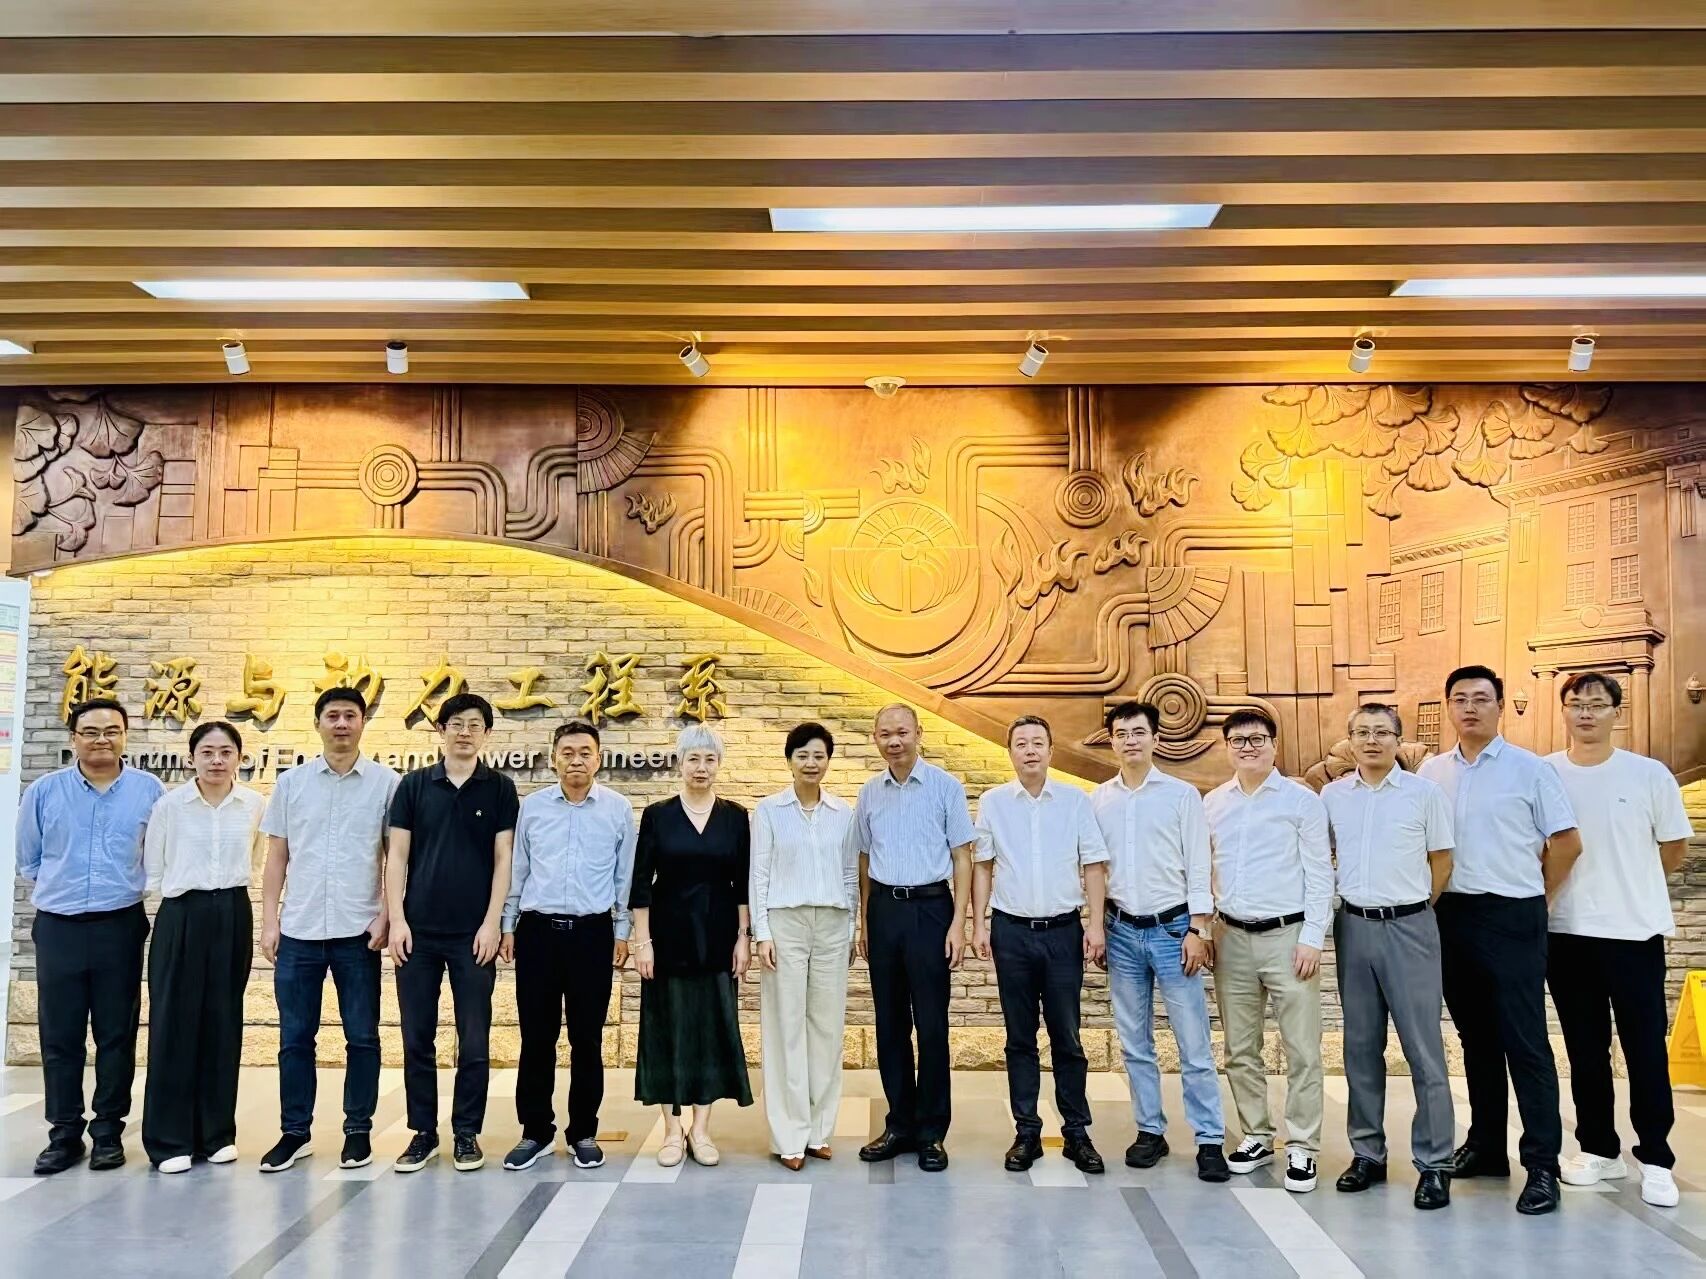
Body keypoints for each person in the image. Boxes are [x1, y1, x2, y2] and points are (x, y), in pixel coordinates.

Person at [1419, 664, 1580, 1216]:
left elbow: (1567, 843)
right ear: (1449, 706)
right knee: (1476, 1039)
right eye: (1460, 698)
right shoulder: (1431, 771)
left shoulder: (1530, 769)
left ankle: (1542, 1165)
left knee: (1525, 1041)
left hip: (1513, 913)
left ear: (1500, 705)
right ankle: (1487, 1146)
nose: (1470, 707)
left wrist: (1539, 896)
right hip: (1450, 914)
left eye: (1481, 698)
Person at [1545, 672, 1693, 1208]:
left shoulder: (1648, 774)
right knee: (1585, 1050)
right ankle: (1599, 1149)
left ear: (1616, 712)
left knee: (1644, 1048)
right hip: (1566, 932)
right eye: (1576, 704)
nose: (1586, 713)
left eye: (1597, 704)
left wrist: (1633, 885)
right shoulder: (1545, 773)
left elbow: (1673, 847)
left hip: (1633, 933)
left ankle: (1656, 1158)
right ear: (1564, 710)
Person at [19, 698, 165, 1175]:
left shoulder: (149, 790)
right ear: (73, 738)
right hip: (58, 926)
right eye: (91, 731)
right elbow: (29, 859)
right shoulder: (45, 791)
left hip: (119, 925)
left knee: (116, 1033)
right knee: (60, 1035)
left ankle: (107, 1132)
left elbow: (157, 854)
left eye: (111, 730)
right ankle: (64, 1134)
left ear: (125, 735)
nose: (102, 739)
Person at [258, 686, 399, 1173]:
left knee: (362, 1037)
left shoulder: (387, 784)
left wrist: (387, 913)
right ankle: (294, 1132)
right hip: (298, 931)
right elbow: (277, 857)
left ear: (363, 723)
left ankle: (357, 1131)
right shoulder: (292, 783)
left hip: (359, 932)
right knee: (295, 1038)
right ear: (318, 723)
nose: (341, 724)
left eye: (350, 716)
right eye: (333, 715)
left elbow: (396, 857)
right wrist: (269, 920)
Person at [1320, 704, 1455, 1210]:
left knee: (1423, 1049)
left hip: (1410, 926)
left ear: (1399, 739)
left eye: (1382, 732)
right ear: (1349, 740)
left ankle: (1434, 1162)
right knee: (1360, 1046)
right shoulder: (1333, 796)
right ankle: (1367, 1153)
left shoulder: (1424, 794)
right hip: (1353, 927)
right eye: (1362, 732)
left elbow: (1442, 861)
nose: (1372, 740)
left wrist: (1414, 909)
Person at [1091, 700, 1230, 1183]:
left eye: (1138, 732)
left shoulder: (1181, 795)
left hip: (1174, 931)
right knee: (1135, 1041)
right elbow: (1093, 869)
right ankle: (1150, 1130)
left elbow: (1199, 865)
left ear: (1155, 738)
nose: (1130, 740)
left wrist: (1198, 929)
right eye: (1121, 733)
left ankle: (1209, 1138)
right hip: (1121, 932)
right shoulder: (1099, 799)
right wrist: (1096, 925)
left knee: (1193, 1042)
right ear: (1112, 741)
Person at [386, 692, 518, 1174]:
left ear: (487, 734)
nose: (465, 732)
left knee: (475, 1038)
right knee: (416, 1037)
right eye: (456, 723)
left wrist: (492, 923)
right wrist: (397, 920)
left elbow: (504, 860)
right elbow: (397, 857)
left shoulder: (500, 788)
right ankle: (423, 1132)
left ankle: (467, 1132)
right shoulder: (414, 786)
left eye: (475, 724)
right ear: (440, 731)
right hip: (417, 934)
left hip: (473, 936)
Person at [971, 715, 1109, 1175]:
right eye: (1021, 743)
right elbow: (983, 866)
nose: (1029, 750)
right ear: (1010, 752)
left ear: (1051, 750)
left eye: (1037, 743)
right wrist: (979, 924)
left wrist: (1095, 926)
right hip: (1011, 932)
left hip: (1063, 932)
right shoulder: (993, 802)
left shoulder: (1075, 801)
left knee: (1067, 1036)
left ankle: (1077, 1132)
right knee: (1019, 1037)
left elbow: (1093, 865)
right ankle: (1027, 1131)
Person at [1204, 708, 1332, 1194]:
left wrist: (1312, 937)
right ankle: (1257, 1134)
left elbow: (1320, 873)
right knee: (1240, 1048)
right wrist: (1205, 928)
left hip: (1288, 937)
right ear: (1227, 747)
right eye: (1238, 740)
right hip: (1231, 937)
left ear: (1274, 744)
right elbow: (1204, 871)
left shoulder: (1301, 802)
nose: (1248, 747)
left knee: (1302, 1049)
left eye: (1257, 738)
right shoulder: (1213, 803)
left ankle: (1303, 1145)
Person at [500, 719, 636, 1173]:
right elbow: (519, 869)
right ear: (553, 758)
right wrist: (508, 925)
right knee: (537, 1038)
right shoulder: (533, 807)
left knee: (587, 1039)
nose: (576, 760)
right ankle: (535, 1131)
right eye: (567, 752)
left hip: (592, 935)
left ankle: (583, 1132)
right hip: (537, 933)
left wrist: (622, 932)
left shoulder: (617, 809)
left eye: (585, 752)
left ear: (599, 758)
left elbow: (624, 877)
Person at [851, 703, 977, 1173]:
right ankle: (900, 1124)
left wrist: (959, 923)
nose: (894, 741)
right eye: (885, 733)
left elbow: (962, 857)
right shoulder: (869, 792)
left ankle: (932, 1133)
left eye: (902, 732)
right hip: (884, 910)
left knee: (931, 1025)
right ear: (875, 738)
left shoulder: (945, 786)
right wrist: (865, 921)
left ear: (918, 733)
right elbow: (864, 860)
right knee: (889, 1024)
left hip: (930, 909)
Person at [141, 720, 266, 1172]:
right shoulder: (170, 806)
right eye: (207, 752)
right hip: (182, 913)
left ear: (239, 758)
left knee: (223, 1020)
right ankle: (169, 1140)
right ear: (192, 757)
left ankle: (215, 1134)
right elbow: (154, 867)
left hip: (232, 912)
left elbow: (256, 858)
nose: (217, 760)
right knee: (174, 1023)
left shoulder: (253, 804)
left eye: (226, 752)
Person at [630, 724, 754, 1165]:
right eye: (693, 759)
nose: (701, 767)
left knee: (710, 1031)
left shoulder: (736, 816)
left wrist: (743, 938)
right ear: (680, 763)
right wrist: (643, 942)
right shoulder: (658, 815)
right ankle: (671, 1130)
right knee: (665, 1030)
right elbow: (640, 884)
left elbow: (743, 884)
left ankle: (701, 1130)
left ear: (719, 765)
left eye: (709, 759)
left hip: (718, 939)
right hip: (667, 939)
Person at [752, 722, 857, 1171]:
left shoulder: (843, 813)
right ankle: (789, 1135)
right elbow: (759, 873)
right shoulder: (769, 810)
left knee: (827, 1028)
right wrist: (762, 933)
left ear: (828, 761)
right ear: (789, 760)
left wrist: (851, 928)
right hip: (785, 923)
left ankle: (818, 1131)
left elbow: (850, 874)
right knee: (786, 1027)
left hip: (833, 923)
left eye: (819, 756)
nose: (811, 763)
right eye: (803, 755)